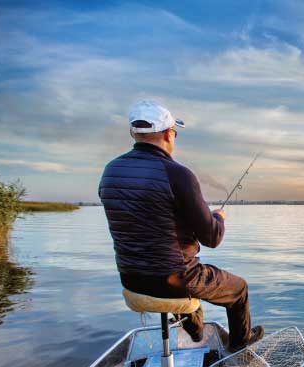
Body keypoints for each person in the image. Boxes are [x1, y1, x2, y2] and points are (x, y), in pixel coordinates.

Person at [98, 100, 263, 351]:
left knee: (190, 277)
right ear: (168, 133)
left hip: (131, 280)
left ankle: (195, 329)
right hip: (174, 280)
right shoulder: (177, 174)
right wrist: (218, 218)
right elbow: (212, 238)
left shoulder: (110, 171)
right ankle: (239, 351)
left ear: (134, 133)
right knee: (238, 289)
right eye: (174, 133)